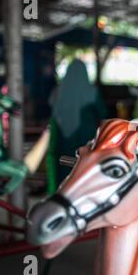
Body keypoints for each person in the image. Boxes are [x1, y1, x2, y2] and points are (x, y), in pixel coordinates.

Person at [47, 59, 109, 193]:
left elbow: (52, 109)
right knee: (84, 171)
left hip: (62, 139)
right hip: (86, 138)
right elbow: (103, 112)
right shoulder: (91, 91)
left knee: (63, 173)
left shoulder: (58, 91)